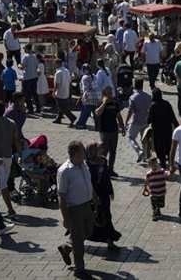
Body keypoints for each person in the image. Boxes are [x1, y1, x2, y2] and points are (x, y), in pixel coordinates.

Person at [56, 141, 95, 278]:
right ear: (73, 154)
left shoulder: (83, 165)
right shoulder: (64, 171)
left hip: (87, 205)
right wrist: (66, 218)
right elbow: (61, 196)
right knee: (79, 241)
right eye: (81, 153)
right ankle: (80, 268)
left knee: (89, 230)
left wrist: (94, 197)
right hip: (74, 209)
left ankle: (67, 247)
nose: (84, 156)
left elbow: (88, 182)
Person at [85, 141, 121, 252]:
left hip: (104, 194)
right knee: (91, 219)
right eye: (90, 151)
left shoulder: (103, 161)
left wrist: (111, 191)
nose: (93, 153)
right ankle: (76, 241)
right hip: (91, 195)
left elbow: (106, 178)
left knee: (106, 217)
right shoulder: (86, 164)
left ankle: (110, 242)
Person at [0, 100, 22, 218]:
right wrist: (19, 154)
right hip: (8, 157)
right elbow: (16, 140)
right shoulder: (12, 123)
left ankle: (10, 209)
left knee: (2, 183)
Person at [94, 86, 126, 177]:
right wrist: (104, 103)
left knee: (113, 151)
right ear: (105, 94)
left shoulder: (115, 103)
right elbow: (97, 113)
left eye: (111, 93)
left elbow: (118, 116)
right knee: (104, 151)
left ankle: (111, 169)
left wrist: (122, 127)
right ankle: (103, 169)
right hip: (104, 131)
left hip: (114, 131)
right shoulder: (100, 102)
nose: (111, 94)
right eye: (109, 93)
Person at [147, 88, 179, 169]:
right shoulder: (167, 104)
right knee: (168, 147)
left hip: (157, 132)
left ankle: (163, 167)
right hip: (167, 130)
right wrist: (178, 127)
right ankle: (171, 164)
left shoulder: (152, 106)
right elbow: (173, 118)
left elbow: (148, 120)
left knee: (159, 149)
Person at [126, 79, 152, 162]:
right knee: (144, 139)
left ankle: (139, 151)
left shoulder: (132, 97)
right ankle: (145, 156)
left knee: (131, 137)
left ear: (134, 85)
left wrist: (126, 121)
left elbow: (130, 111)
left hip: (136, 121)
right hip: (145, 121)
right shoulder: (148, 96)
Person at [53, 59, 76, 126]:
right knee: (62, 106)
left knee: (62, 107)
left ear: (58, 64)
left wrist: (54, 92)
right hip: (66, 91)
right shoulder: (66, 70)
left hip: (60, 92)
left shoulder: (58, 72)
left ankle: (72, 118)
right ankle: (58, 118)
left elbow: (57, 84)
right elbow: (70, 81)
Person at [145, 157, 169, 221]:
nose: (154, 166)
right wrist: (146, 188)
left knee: (161, 204)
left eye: (155, 164)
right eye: (152, 165)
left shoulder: (162, 171)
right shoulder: (149, 174)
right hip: (153, 192)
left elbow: (168, 174)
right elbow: (147, 181)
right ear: (149, 165)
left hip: (161, 192)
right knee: (154, 205)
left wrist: (171, 170)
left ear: (158, 164)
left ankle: (158, 210)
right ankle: (154, 214)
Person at [20, 44, 40, 113]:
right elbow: (37, 66)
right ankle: (38, 108)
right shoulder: (35, 57)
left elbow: (22, 67)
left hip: (27, 78)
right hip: (34, 77)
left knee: (27, 94)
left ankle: (30, 109)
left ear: (27, 49)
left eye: (25, 49)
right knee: (34, 94)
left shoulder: (25, 57)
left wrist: (19, 66)